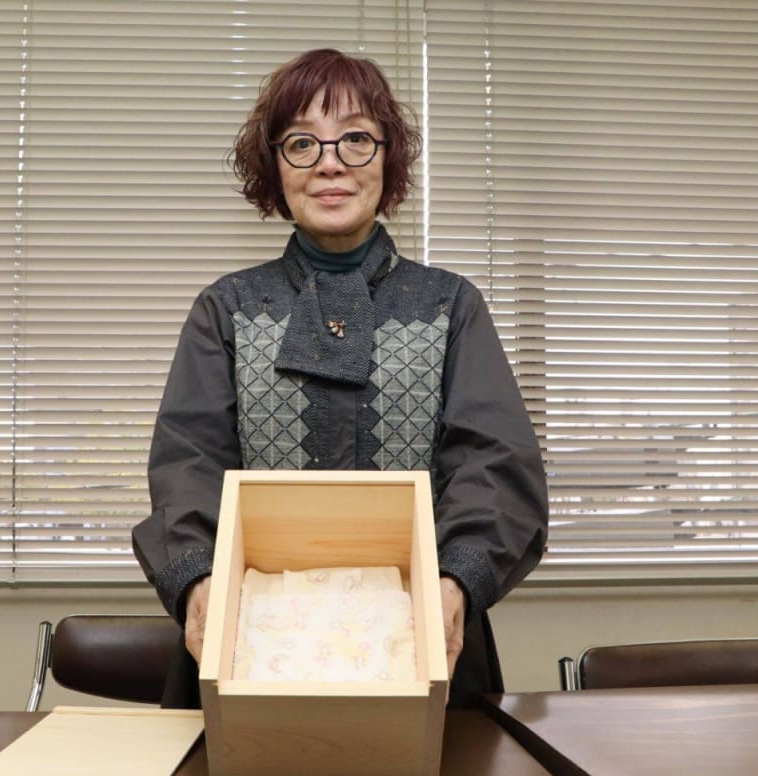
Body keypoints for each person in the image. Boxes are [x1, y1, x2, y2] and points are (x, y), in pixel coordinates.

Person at [132, 48, 548, 709]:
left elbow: (496, 463)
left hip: (425, 635)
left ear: (388, 157)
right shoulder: (227, 308)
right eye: (303, 143)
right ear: (276, 166)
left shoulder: (451, 305)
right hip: (251, 639)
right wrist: (197, 580)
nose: (330, 162)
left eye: (355, 138)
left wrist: (455, 580)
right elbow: (189, 462)